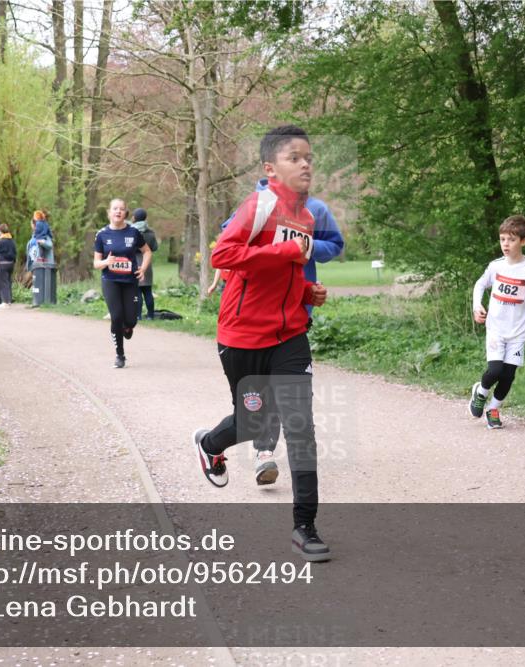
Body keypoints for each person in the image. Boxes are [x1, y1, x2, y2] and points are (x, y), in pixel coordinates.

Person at [192, 124, 331, 562]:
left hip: (290, 336)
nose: (306, 163)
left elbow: (286, 274)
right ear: (271, 168)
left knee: (299, 426)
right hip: (242, 336)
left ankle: (304, 526)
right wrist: (285, 254)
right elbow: (223, 256)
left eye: (309, 157)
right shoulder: (257, 206)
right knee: (253, 422)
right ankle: (210, 445)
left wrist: (307, 293)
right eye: (295, 158)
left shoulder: (307, 217)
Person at [220, 178, 345, 485]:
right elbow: (228, 238)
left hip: (295, 310)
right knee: (263, 394)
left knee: (285, 391)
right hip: (255, 314)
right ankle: (263, 450)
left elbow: (335, 246)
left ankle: (268, 455)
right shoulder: (257, 205)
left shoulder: (315, 209)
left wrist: (307, 246)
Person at [467, 215, 525, 429]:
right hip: (495, 328)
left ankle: (493, 409)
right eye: (502, 239)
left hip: (517, 333)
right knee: (494, 371)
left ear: (523, 241)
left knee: (508, 376)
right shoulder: (496, 267)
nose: (505, 244)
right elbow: (479, 285)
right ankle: (481, 392)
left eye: (511, 240)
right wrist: (477, 306)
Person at [94, 199, 152, 368]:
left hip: (130, 281)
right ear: (109, 212)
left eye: (122, 209)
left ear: (126, 213)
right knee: (116, 316)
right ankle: (120, 355)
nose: (118, 211)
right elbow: (96, 263)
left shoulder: (133, 232)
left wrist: (143, 269)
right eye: (115, 209)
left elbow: (147, 251)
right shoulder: (102, 234)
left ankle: (128, 327)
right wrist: (106, 261)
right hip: (110, 281)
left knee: (131, 320)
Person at [130, 208, 159, 320]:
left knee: (137, 292)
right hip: (147, 265)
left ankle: (138, 315)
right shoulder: (150, 232)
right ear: (145, 218)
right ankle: (150, 315)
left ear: (134, 218)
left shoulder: (131, 231)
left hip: (135, 263)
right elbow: (154, 248)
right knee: (148, 292)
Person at [26, 211, 57, 306]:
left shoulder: (44, 236)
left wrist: (41, 242)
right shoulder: (34, 236)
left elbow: (49, 245)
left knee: (44, 284)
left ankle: (45, 302)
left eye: (32, 224)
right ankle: (36, 301)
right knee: (36, 284)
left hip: (45, 265)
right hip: (35, 264)